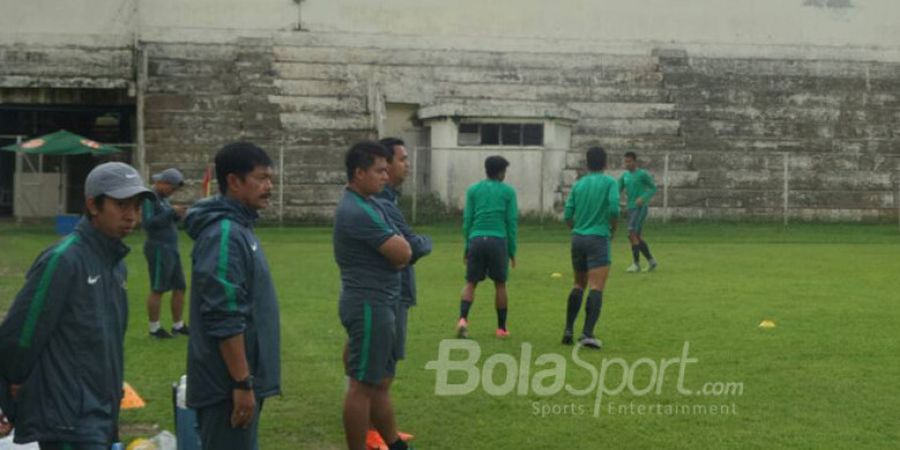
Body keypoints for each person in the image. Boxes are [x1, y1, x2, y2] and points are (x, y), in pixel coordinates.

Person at [0, 162, 153, 449]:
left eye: (137, 205)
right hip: (67, 422)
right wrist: (10, 395)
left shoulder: (115, 266)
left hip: (101, 414)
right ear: (93, 205)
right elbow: (18, 337)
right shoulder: (64, 260)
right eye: (121, 204)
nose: (132, 215)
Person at [183, 142, 280, 450]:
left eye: (270, 178)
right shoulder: (224, 233)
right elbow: (224, 313)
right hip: (226, 387)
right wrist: (241, 382)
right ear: (234, 182)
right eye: (262, 178)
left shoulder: (240, 227)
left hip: (240, 382)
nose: (269, 186)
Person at [333, 141, 412, 450]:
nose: (385, 175)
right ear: (359, 172)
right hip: (369, 304)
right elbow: (404, 250)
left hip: (378, 301)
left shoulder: (369, 203)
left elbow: (404, 246)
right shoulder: (357, 210)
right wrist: (403, 247)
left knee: (376, 382)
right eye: (379, 170)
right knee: (362, 385)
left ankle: (394, 444)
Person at [366, 138, 431, 449]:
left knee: (375, 362)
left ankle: (374, 425)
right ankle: (373, 431)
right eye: (402, 159)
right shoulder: (381, 204)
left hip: (390, 291)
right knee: (383, 366)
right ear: (385, 165)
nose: (408, 164)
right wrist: (423, 242)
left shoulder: (385, 202)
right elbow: (413, 247)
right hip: (389, 293)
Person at [562, 147, 619, 349]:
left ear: (587, 163)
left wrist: (576, 229)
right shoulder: (610, 183)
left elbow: (567, 214)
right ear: (605, 163)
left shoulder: (579, 184)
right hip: (598, 238)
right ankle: (587, 333)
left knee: (578, 283)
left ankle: (568, 329)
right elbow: (614, 208)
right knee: (596, 286)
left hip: (578, 238)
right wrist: (612, 228)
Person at [456, 155, 518, 339]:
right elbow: (511, 222)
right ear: (500, 172)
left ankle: (462, 320)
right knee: (500, 284)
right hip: (497, 240)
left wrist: (467, 246)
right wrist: (512, 251)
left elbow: (467, 220)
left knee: (470, 282)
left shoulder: (473, 190)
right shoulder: (508, 192)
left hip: (476, 238)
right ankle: (501, 328)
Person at [143, 167, 189, 338]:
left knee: (180, 287)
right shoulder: (149, 198)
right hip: (158, 248)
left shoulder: (164, 199)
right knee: (158, 288)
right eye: (172, 188)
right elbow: (148, 223)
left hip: (171, 248)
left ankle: (178, 325)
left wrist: (178, 215)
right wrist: (171, 212)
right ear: (162, 183)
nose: (173, 192)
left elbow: (167, 219)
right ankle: (154, 328)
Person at [618, 151, 658, 273]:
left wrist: (643, 198)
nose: (627, 164)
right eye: (625, 161)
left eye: (629, 161)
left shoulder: (642, 174)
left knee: (632, 233)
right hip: (630, 208)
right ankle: (651, 261)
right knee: (636, 236)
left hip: (641, 208)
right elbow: (616, 190)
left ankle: (636, 264)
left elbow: (653, 188)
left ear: (635, 161)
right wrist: (615, 201)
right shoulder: (624, 176)